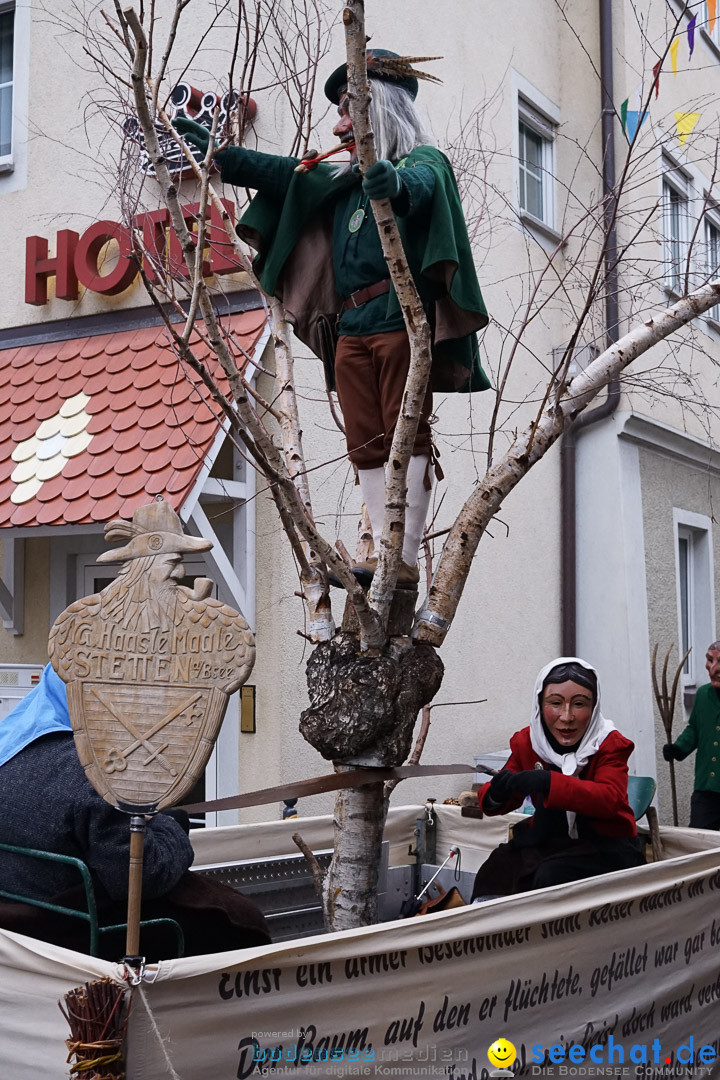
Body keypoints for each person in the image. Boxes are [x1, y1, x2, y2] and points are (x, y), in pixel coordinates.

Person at [174, 49, 491, 587]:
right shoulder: (336, 173)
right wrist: (221, 156)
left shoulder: (422, 161)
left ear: (380, 110)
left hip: (398, 321)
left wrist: (392, 185)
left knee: (404, 435)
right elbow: (281, 174)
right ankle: (384, 554)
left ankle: (402, 556)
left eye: (350, 108)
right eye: (342, 109)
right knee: (365, 440)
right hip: (350, 329)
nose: (340, 121)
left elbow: (421, 189)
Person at [0, 664, 270, 958]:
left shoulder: (9, 745)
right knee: (243, 919)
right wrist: (172, 827)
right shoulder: (91, 776)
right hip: (72, 937)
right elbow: (143, 875)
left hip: (19, 926)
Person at [470, 657, 645, 900]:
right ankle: (491, 935)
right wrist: (498, 792)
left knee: (550, 877)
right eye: (555, 703)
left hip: (605, 847)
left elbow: (610, 798)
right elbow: (495, 798)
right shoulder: (529, 742)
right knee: (496, 868)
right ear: (539, 705)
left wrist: (547, 782)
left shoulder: (609, 744)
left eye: (579, 704)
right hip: (549, 841)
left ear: (594, 707)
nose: (566, 717)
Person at [663, 641, 720, 830]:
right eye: (710, 660)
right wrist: (678, 748)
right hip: (705, 788)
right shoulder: (703, 694)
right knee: (698, 842)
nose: (713, 670)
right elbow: (695, 728)